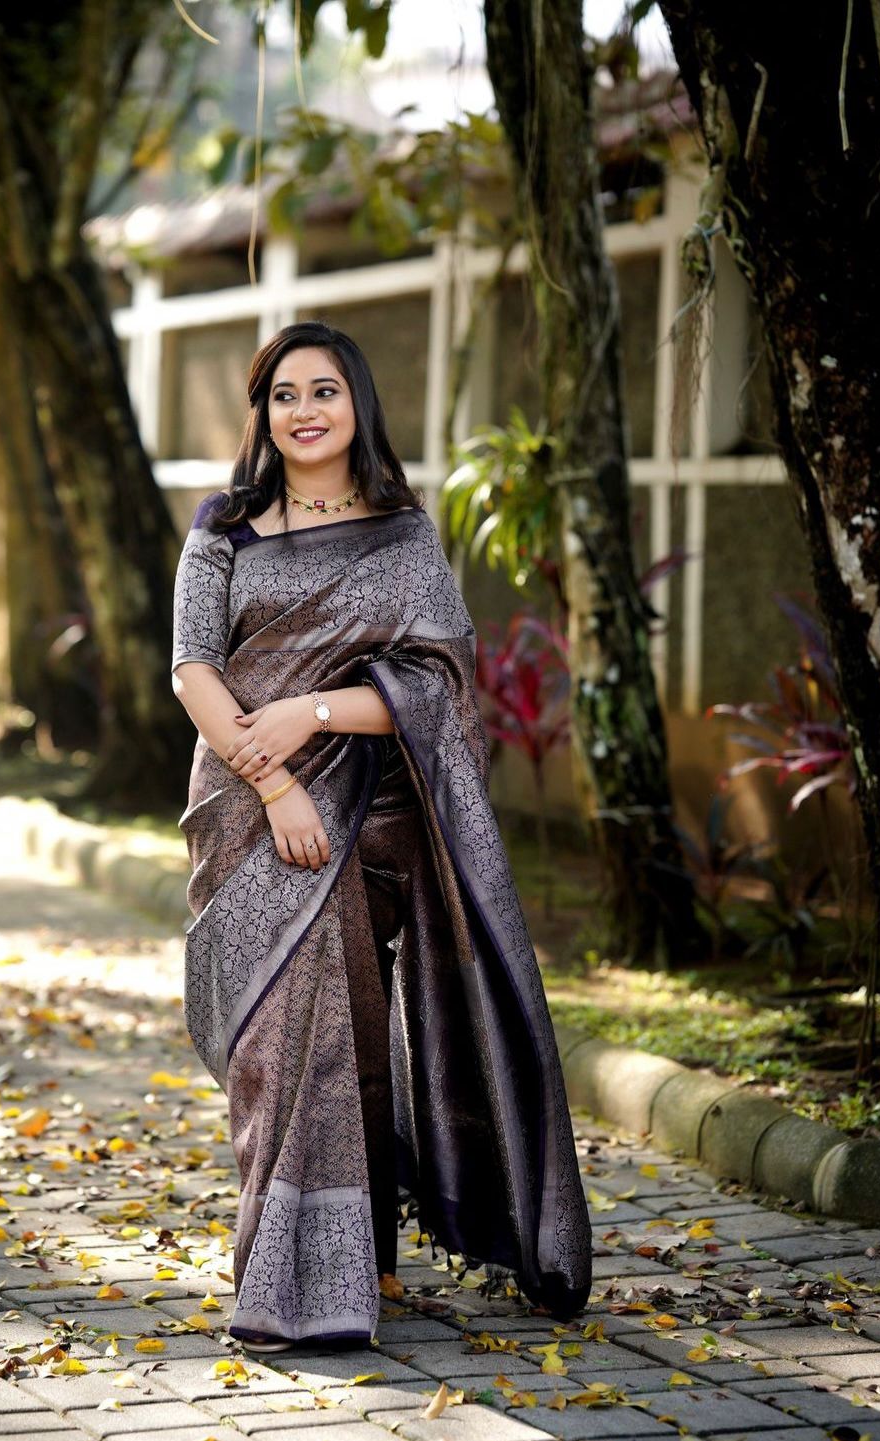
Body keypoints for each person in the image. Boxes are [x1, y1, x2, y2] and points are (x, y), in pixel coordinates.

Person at [170, 320, 592, 1357]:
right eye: (283, 395)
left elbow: (442, 686)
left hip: (377, 804)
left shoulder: (405, 537)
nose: (304, 410)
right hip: (248, 806)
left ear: (358, 404)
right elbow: (192, 670)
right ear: (263, 413)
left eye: (325, 390)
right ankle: (288, 1274)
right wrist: (274, 786)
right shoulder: (222, 527)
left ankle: (358, 1260)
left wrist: (312, 715)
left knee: (353, 1026)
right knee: (279, 1040)